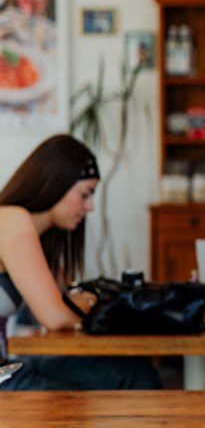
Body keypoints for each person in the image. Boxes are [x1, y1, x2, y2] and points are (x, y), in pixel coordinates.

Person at [0, 134, 162, 390]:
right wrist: (93, 300)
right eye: (85, 194)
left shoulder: (36, 236)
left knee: (135, 372)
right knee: (80, 403)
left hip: (8, 366)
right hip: (4, 373)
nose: (90, 207)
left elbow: (62, 303)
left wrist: (82, 302)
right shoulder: (11, 219)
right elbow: (55, 317)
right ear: (56, 183)